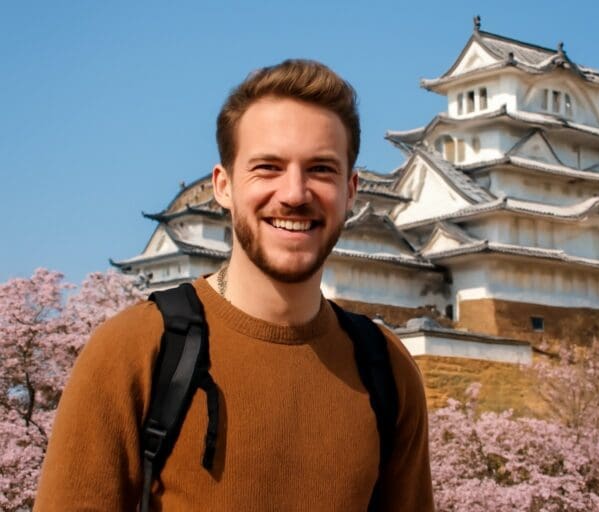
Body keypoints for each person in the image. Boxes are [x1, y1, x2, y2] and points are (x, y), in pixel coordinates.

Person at [34, 59, 435, 511]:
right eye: (268, 167)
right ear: (223, 186)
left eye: (321, 169)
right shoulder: (135, 351)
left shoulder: (385, 370)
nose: (294, 193)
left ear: (351, 191)